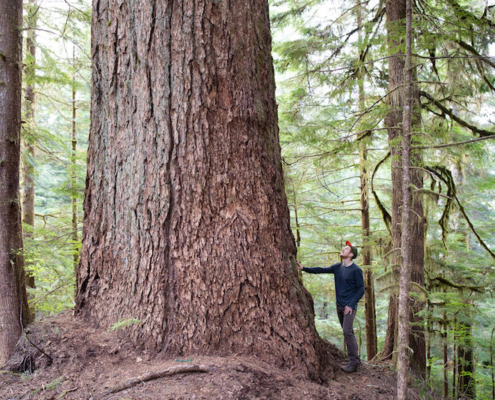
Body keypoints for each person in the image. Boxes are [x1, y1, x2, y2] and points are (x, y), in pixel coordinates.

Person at [297, 241, 365, 373]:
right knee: (347, 332)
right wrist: (304, 268)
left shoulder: (356, 270)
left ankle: (354, 363)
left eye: (346, 249)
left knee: (347, 332)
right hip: (339, 306)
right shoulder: (338, 267)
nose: (343, 250)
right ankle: (355, 359)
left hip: (349, 307)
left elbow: (361, 289)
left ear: (351, 254)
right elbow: (321, 270)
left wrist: (351, 304)